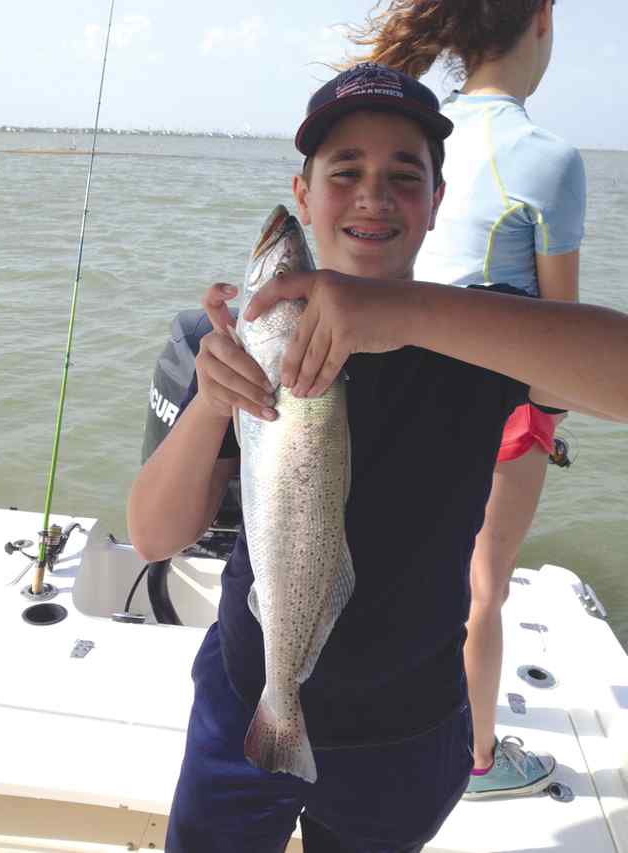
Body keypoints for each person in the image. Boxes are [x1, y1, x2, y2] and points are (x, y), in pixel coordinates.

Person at [127, 62, 628, 853]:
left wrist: (404, 312)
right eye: (345, 171)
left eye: (405, 175)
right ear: (303, 192)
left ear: (437, 203)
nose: (372, 194)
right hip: (247, 697)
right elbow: (153, 536)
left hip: (409, 730)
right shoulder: (242, 345)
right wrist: (214, 402)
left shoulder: (473, 338)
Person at [348, 0, 585, 797]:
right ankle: (477, 755)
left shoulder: (427, 132)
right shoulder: (547, 156)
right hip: (499, 400)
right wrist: (548, 419)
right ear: (543, 20)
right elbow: (562, 342)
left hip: (402, 380)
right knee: (485, 580)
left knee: (417, 561)